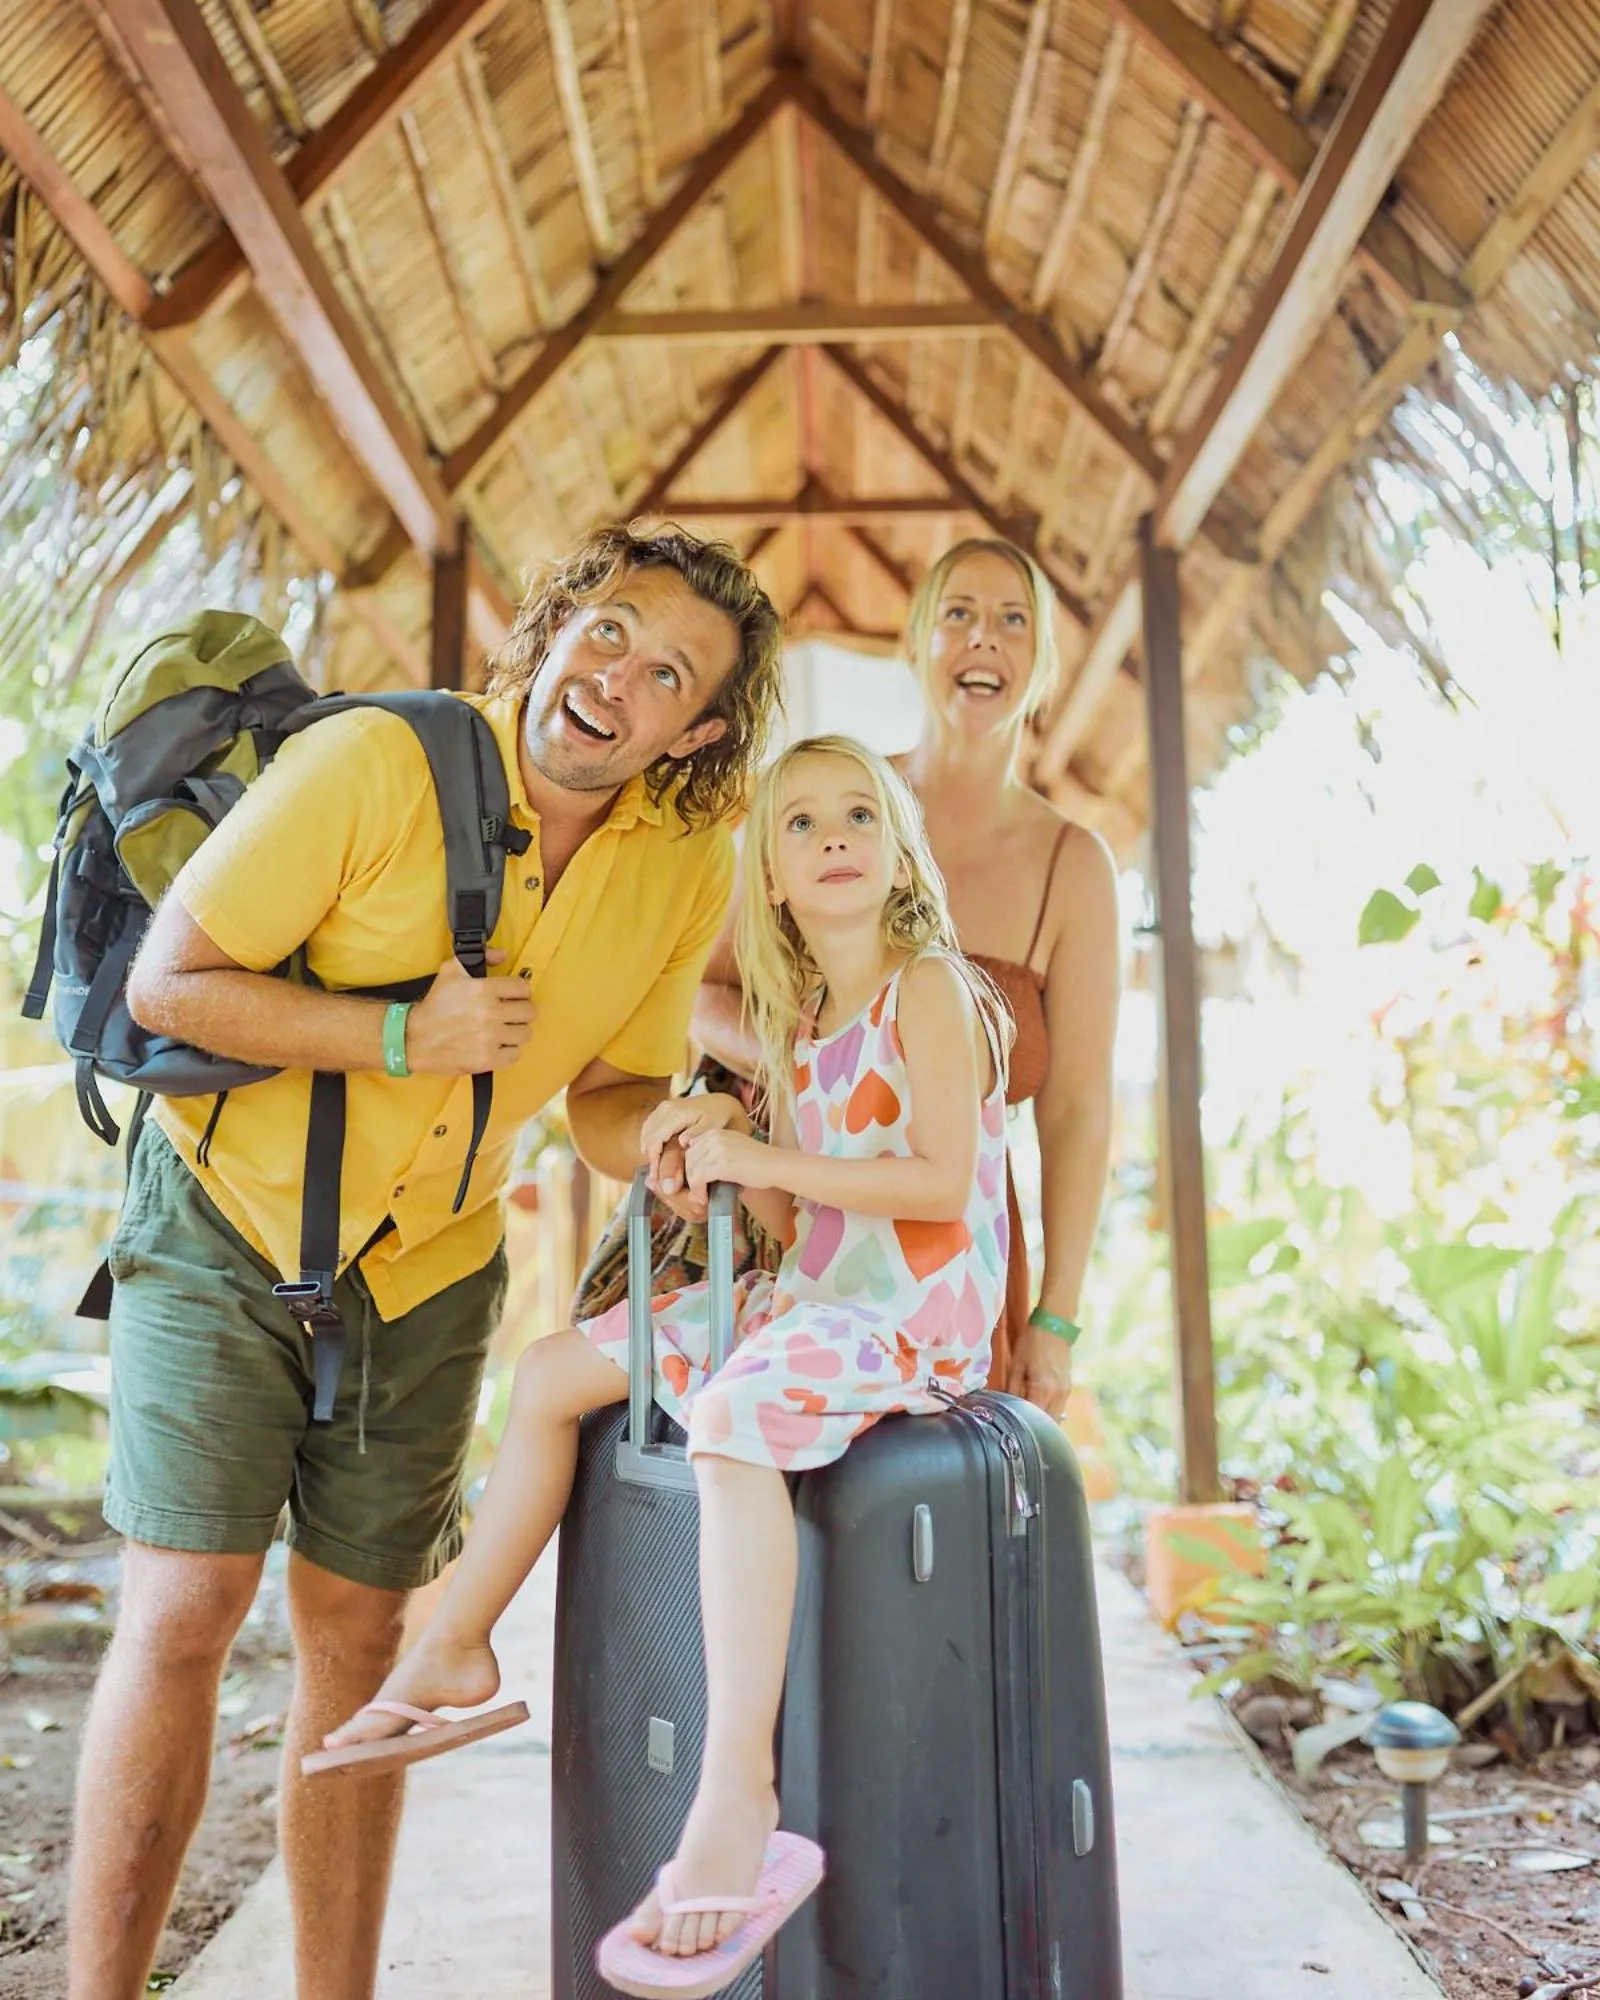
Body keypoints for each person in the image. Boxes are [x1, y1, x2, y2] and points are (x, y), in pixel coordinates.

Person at [67, 523, 783, 2000]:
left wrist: (685, 1128)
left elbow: (600, 1099)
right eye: (608, 630)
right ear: (561, 619)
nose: (615, 679)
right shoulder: (378, 764)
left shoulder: (685, 865)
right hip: (225, 1218)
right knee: (187, 1608)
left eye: (665, 675)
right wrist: (400, 1034)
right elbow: (168, 982)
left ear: (696, 728)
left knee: (358, 1637)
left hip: (430, 1269)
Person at [315, 736, 1013, 1994]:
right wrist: (712, 1140)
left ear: (901, 848)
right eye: (801, 823)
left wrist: (761, 1160)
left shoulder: (930, 987)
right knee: (551, 1375)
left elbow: (936, 1185)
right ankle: (455, 1643)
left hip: (917, 1305)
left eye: (860, 812)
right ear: (775, 874)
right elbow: (803, 1223)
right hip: (822, 1286)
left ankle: (735, 1783)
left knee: (736, 1414)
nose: (834, 835)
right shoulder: (800, 1021)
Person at [669, 536, 1120, 1419]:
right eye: (957, 615)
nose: (983, 638)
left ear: (1042, 665)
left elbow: (1077, 1108)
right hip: (787, 1231)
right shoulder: (831, 813)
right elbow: (701, 992)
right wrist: (805, 1063)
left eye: (1012, 620)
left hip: (944, 1267)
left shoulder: (1075, 865)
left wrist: (1056, 1320)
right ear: (913, 646)